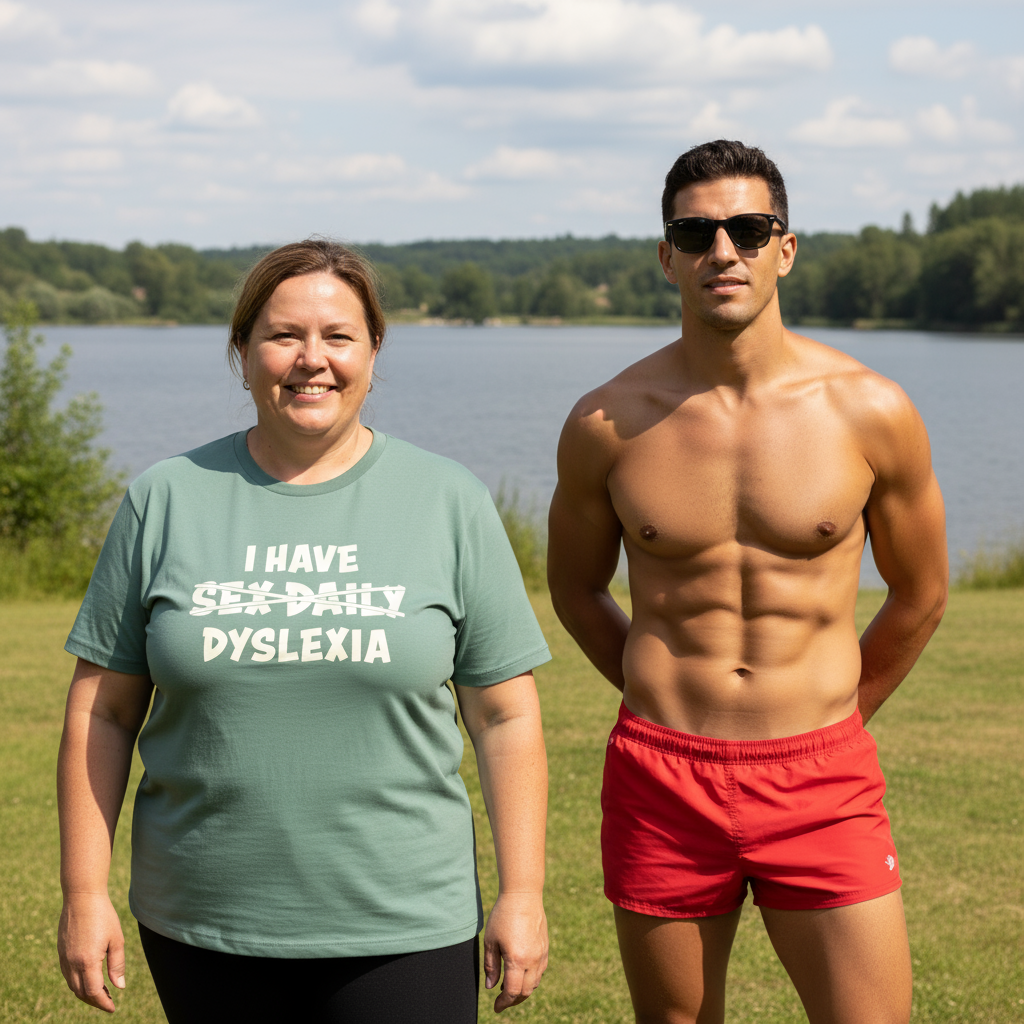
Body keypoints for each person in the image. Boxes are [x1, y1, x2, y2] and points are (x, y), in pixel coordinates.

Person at [57, 239, 550, 1023]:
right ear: (243, 351)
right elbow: (104, 712)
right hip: (205, 921)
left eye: (338, 336)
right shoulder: (166, 498)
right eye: (283, 335)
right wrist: (84, 893)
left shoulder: (447, 500)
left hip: (405, 922)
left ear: (373, 351)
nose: (310, 359)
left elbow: (505, 716)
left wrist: (523, 893)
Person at [547, 140, 948, 1024]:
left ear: (785, 248)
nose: (722, 251)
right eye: (696, 234)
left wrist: (838, 711)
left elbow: (921, 593)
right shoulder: (606, 423)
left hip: (822, 773)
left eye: (749, 230)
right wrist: (659, 689)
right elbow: (575, 589)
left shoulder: (871, 410)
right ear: (668, 257)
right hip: (663, 775)